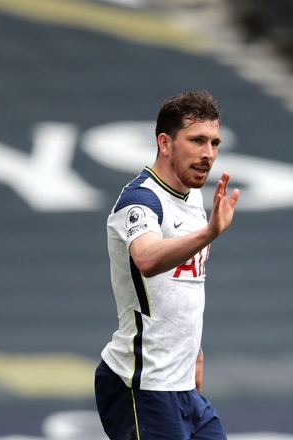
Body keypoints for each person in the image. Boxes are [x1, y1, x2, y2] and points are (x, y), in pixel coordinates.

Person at [94, 90, 239, 440]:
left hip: (182, 383)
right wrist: (209, 233)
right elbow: (146, 258)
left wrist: (195, 353)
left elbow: (183, 286)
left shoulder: (194, 196)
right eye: (197, 140)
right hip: (140, 383)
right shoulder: (140, 200)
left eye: (214, 142)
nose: (208, 154)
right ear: (165, 142)